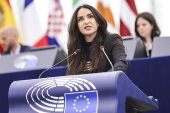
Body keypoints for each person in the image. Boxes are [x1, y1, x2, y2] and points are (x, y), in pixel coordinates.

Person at [67, 4, 128, 75]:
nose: (86, 22)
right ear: (77, 26)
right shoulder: (75, 48)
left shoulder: (112, 39)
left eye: (90, 17)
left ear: (98, 22)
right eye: (81, 19)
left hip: (108, 84)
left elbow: (121, 63)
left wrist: (103, 78)